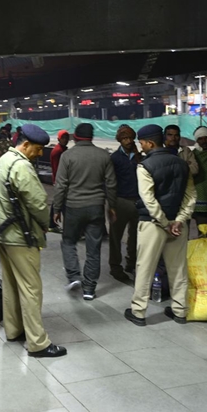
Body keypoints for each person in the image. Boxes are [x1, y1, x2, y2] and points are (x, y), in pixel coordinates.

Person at [0, 124, 67, 358]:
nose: (40, 153)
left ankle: (14, 330)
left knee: (12, 284)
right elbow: (38, 202)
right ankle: (38, 343)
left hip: (4, 234)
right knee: (31, 288)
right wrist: (46, 223)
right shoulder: (21, 166)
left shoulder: (3, 160)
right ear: (25, 144)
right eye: (37, 148)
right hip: (21, 237)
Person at [124, 125, 196, 327]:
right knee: (178, 269)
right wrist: (179, 220)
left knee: (145, 267)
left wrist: (164, 223)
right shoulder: (182, 164)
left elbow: (149, 200)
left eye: (142, 143)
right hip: (178, 226)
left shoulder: (145, 166)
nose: (141, 146)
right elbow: (191, 197)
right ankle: (180, 311)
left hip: (153, 225)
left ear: (150, 142)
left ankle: (138, 312)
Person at [53, 123, 117, 301]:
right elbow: (111, 184)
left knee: (68, 241)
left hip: (73, 207)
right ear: (92, 137)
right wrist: (111, 207)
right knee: (93, 249)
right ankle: (89, 289)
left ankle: (74, 276)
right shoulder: (103, 155)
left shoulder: (68, 155)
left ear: (75, 137)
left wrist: (57, 208)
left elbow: (61, 185)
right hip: (96, 207)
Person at [109, 125, 140, 281]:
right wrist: (111, 205)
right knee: (115, 237)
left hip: (137, 201)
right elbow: (110, 182)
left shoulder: (138, 157)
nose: (128, 141)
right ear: (120, 140)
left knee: (135, 236)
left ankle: (132, 263)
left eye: (130, 138)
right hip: (120, 201)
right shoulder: (114, 158)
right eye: (124, 138)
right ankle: (115, 266)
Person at [192, 127, 207, 231]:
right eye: (201, 138)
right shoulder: (192, 155)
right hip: (199, 198)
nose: (204, 141)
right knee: (203, 231)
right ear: (196, 140)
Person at [48, 129, 69, 232]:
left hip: (59, 180)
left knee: (57, 201)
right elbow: (57, 168)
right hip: (59, 180)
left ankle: (52, 224)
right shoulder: (58, 151)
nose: (65, 140)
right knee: (62, 202)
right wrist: (58, 182)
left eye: (66, 138)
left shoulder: (62, 150)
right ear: (58, 139)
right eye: (63, 138)